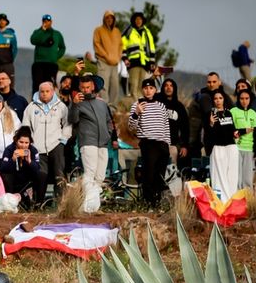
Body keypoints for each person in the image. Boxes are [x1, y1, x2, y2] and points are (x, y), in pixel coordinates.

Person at [69, 75, 117, 211]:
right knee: (90, 174)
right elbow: (72, 119)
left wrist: (108, 134)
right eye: (83, 88)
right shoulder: (77, 102)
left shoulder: (102, 103)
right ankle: (87, 206)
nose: (85, 90)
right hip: (87, 142)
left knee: (100, 176)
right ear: (79, 88)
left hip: (103, 143)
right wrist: (74, 104)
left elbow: (109, 120)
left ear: (93, 87)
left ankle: (92, 205)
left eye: (88, 87)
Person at [128, 78, 176, 206]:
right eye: (145, 88)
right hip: (148, 143)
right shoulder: (137, 104)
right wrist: (137, 113)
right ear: (142, 89)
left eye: (151, 88)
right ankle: (148, 201)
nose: (148, 91)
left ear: (155, 90)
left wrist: (168, 144)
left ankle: (157, 200)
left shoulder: (161, 106)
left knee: (160, 174)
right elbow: (131, 127)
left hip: (162, 144)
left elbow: (166, 126)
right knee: (149, 173)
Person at [22, 81, 71, 203]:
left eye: (47, 91)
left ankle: (61, 203)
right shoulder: (31, 107)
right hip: (37, 147)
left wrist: (63, 140)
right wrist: (31, 144)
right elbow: (26, 126)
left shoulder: (61, 106)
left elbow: (68, 124)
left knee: (59, 174)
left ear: (53, 92)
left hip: (56, 145)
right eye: (42, 92)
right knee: (40, 175)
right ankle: (39, 203)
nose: (44, 94)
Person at [204, 90, 239, 200]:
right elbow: (208, 134)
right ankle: (221, 200)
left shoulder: (229, 113)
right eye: (215, 98)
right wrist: (211, 123)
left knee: (232, 175)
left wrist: (236, 133)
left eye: (220, 98)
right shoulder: (210, 114)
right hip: (218, 148)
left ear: (224, 99)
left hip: (231, 147)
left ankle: (231, 199)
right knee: (219, 176)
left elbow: (232, 130)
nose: (218, 100)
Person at [0, 127, 44, 206]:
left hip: (27, 181)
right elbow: (3, 168)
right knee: (6, 175)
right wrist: (12, 159)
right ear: (16, 141)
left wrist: (30, 161)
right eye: (21, 142)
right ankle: (9, 202)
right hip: (14, 179)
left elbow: (37, 169)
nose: (23, 145)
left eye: (26, 143)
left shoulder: (33, 150)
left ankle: (38, 204)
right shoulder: (9, 149)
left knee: (42, 175)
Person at [121, 12, 156, 101]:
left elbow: (151, 47)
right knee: (134, 85)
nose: (138, 21)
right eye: (136, 19)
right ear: (133, 21)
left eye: (140, 19)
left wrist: (152, 62)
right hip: (133, 62)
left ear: (142, 20)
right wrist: (125, 58)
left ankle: (141, 106)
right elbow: (121, 44)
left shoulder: (147, 32)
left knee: (142, 86)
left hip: (144, 63)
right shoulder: (129, 30)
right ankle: (134, 107)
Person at [230, 89, 256, 191]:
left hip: (249, 149)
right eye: (241, 98)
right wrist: (243, 131)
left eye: (247, 98)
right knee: (237, 177)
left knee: (247, 178)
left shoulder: (253, 113)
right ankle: (237, 200)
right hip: (236, 148)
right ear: (238, 99)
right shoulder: (233, 111)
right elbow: (231, 130)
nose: (244, 101)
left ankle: (248, 201)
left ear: (250, 99)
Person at [158, 79, 190, 169]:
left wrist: (184, 146)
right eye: (166, 85)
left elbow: (185, 128)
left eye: (171, 86)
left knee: (171, 167)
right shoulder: (157, 103)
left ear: (174, 88)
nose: (168, 88)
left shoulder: (179, 107)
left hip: (173, 144)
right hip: (157, 142)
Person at [29, 14, 66, 94]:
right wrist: (42, 29)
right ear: (42, 22)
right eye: (44, 21)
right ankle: (36, 103)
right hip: (39, 63)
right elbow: (33, 40)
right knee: (37, 86)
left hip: (51, 64)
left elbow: (62, 47)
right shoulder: (38, 32)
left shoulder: (57, 34)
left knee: (50, 85)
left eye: (48, 21)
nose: (46, 23)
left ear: (51, 22)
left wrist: (55, 56)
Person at [92, 11, 122, 106]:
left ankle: (113, 108)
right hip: (103, 61)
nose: (109, 20)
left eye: (111, 18)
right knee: (103, 85)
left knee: (115, 86)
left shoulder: (117, 31)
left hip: (115, 63)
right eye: (107, 18)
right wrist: (106, 56)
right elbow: (96, 44)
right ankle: (103, 106)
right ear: (104, 19)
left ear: (114, 19)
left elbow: (121, 45)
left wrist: (118, 57)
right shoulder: (98, 30)